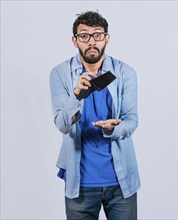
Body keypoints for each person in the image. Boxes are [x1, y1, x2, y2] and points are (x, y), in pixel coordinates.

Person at [49, 11, 140, 220]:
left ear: (106, 38)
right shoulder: (60, 73)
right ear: (75, 41)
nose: (92, 41)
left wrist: (114, 128)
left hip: (121, 181)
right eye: (84, 36)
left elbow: (131, 119)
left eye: (97, 35)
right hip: (80, 182)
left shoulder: (125, 72)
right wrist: (76, 95)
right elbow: (62, 125)